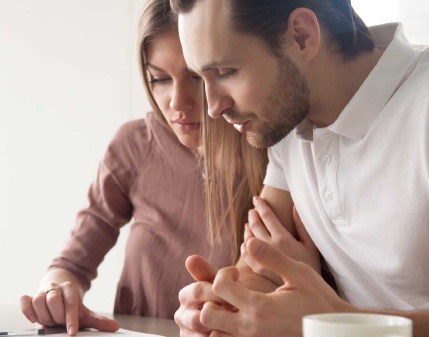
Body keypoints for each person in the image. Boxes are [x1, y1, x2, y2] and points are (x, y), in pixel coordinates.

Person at [170, 0, 429, 336]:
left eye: (226, 72)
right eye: (202, 78)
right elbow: (264, 271)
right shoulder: (287, 121)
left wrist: (345, 325)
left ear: (302, 35)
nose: (212, 107)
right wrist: (225, 310)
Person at [18, 0, 267, 335]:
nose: (177, 103)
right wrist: (57, 292)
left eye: (194, 76)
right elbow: (70, 265)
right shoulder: (135, 144)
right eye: (159, 79)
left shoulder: (271, 151)